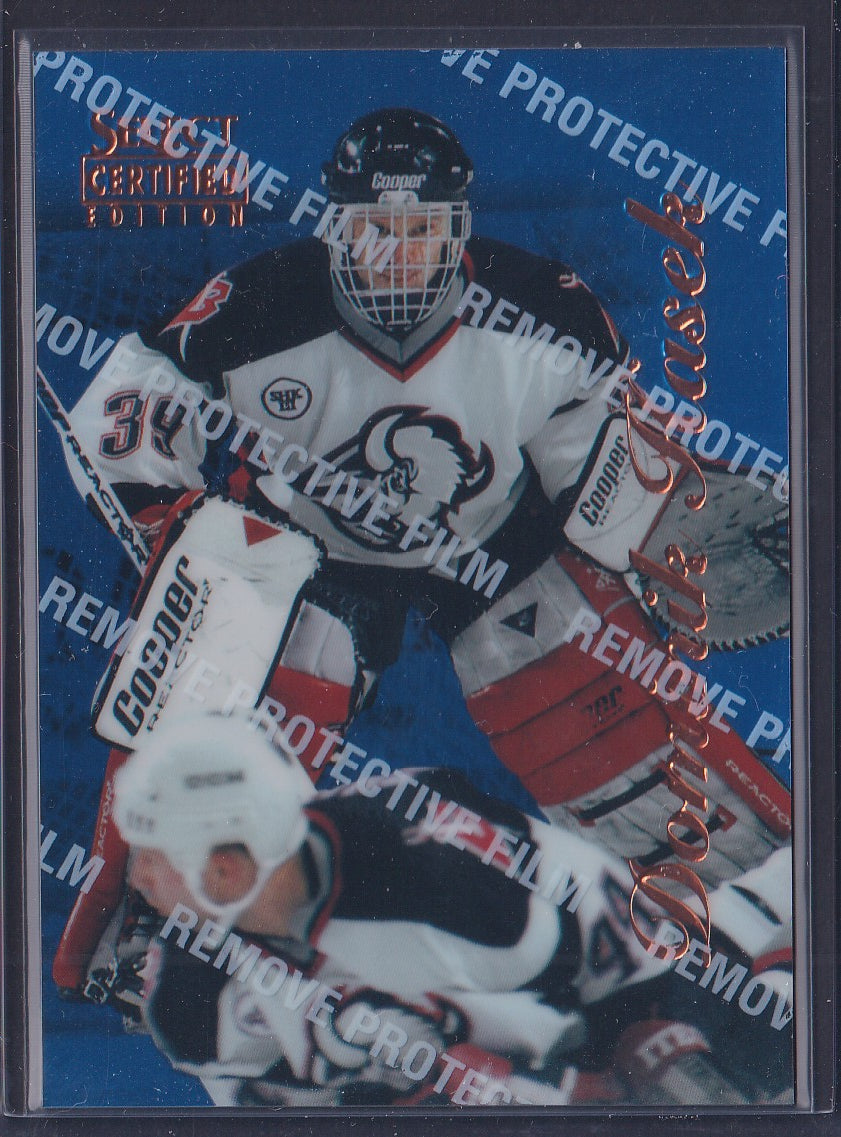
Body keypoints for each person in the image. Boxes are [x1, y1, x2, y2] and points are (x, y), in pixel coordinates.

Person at [55, 107, 790, 999]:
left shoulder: (540, 310)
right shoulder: (259, 303)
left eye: (420, 230)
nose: (398, 255)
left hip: (492, 544)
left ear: (458, 227)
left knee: (603, 720)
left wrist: (661, 520)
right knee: (227, 672)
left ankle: (760, 919)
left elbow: (601, 473)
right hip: (307, 552)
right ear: (336, 225)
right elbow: (135, 393)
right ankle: (157, 946)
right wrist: (164, 516)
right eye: (375, 229)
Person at [105, 713, 790, 1107]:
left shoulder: (441, 893)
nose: (137, 875)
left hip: (634, 1001)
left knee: (679, 1079)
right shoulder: (190, 994)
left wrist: (552, 1083)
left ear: (224, 868)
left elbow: (576, 1043)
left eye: (153, 853)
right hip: (546, 1011)